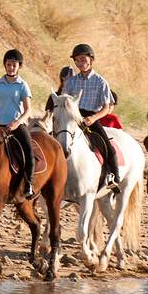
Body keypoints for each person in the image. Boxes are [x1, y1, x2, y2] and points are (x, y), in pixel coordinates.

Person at [62, 44, 120, 187]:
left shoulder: (100, 82)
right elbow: (65, 101)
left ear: (91, 60)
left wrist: (93, 118)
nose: (80, 63)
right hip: (73, 117)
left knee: (108, 147)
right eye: (77, 60)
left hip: (91, 118)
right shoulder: (71, 82)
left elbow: (107, 107)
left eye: (83, 59)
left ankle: (113, 177)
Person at [0, 49, 35, 200]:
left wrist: (17, 122)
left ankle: (29, 185)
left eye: (14, 65)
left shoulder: (22, 85)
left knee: (28, 153)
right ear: (4, 65)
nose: (11, 67)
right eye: (8, 64)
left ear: (19, 66)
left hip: (16, 126)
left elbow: (28, 110)